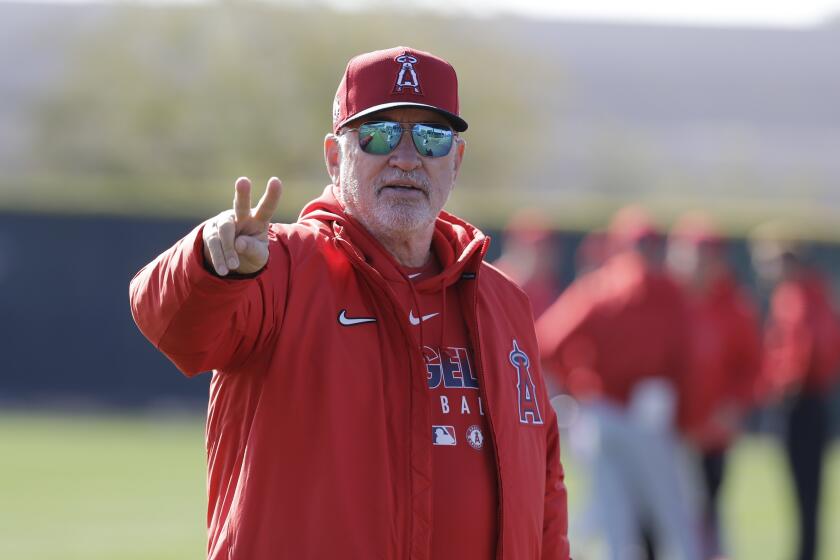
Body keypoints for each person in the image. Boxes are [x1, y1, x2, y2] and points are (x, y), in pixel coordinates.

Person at [129, 46, 569, 560]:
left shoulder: (501, 301)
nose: (406, 158)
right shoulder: (280, 265)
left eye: (430, 137)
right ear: (336, 157)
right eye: (379, 135)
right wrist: (210, 259)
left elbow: (543, 482)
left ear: (456, 160)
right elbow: (172, 326)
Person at [536, 206, 701, 560]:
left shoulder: (598, 286)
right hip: (646, 415)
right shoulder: (668, 290)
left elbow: (546, 343)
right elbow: (686, 360)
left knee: (617, 524)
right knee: (674, 516)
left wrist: (575, 383)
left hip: (601, 414)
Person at [668, 213, 763, 559]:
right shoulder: (665, 302)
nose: (700, 266)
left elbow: (753, 367)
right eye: (693, 256)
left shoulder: (735, 307)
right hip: (668, 431)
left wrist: (735, 405)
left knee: (707, 511)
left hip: (712, 433)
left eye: (708, 258)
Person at [751, 235, 840, 560]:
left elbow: (808, 350)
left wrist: (782, 384)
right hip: (812, 400)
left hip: (800, 402)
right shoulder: (815, 292)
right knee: (808, 493)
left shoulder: (797, 296)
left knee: (804, 491)